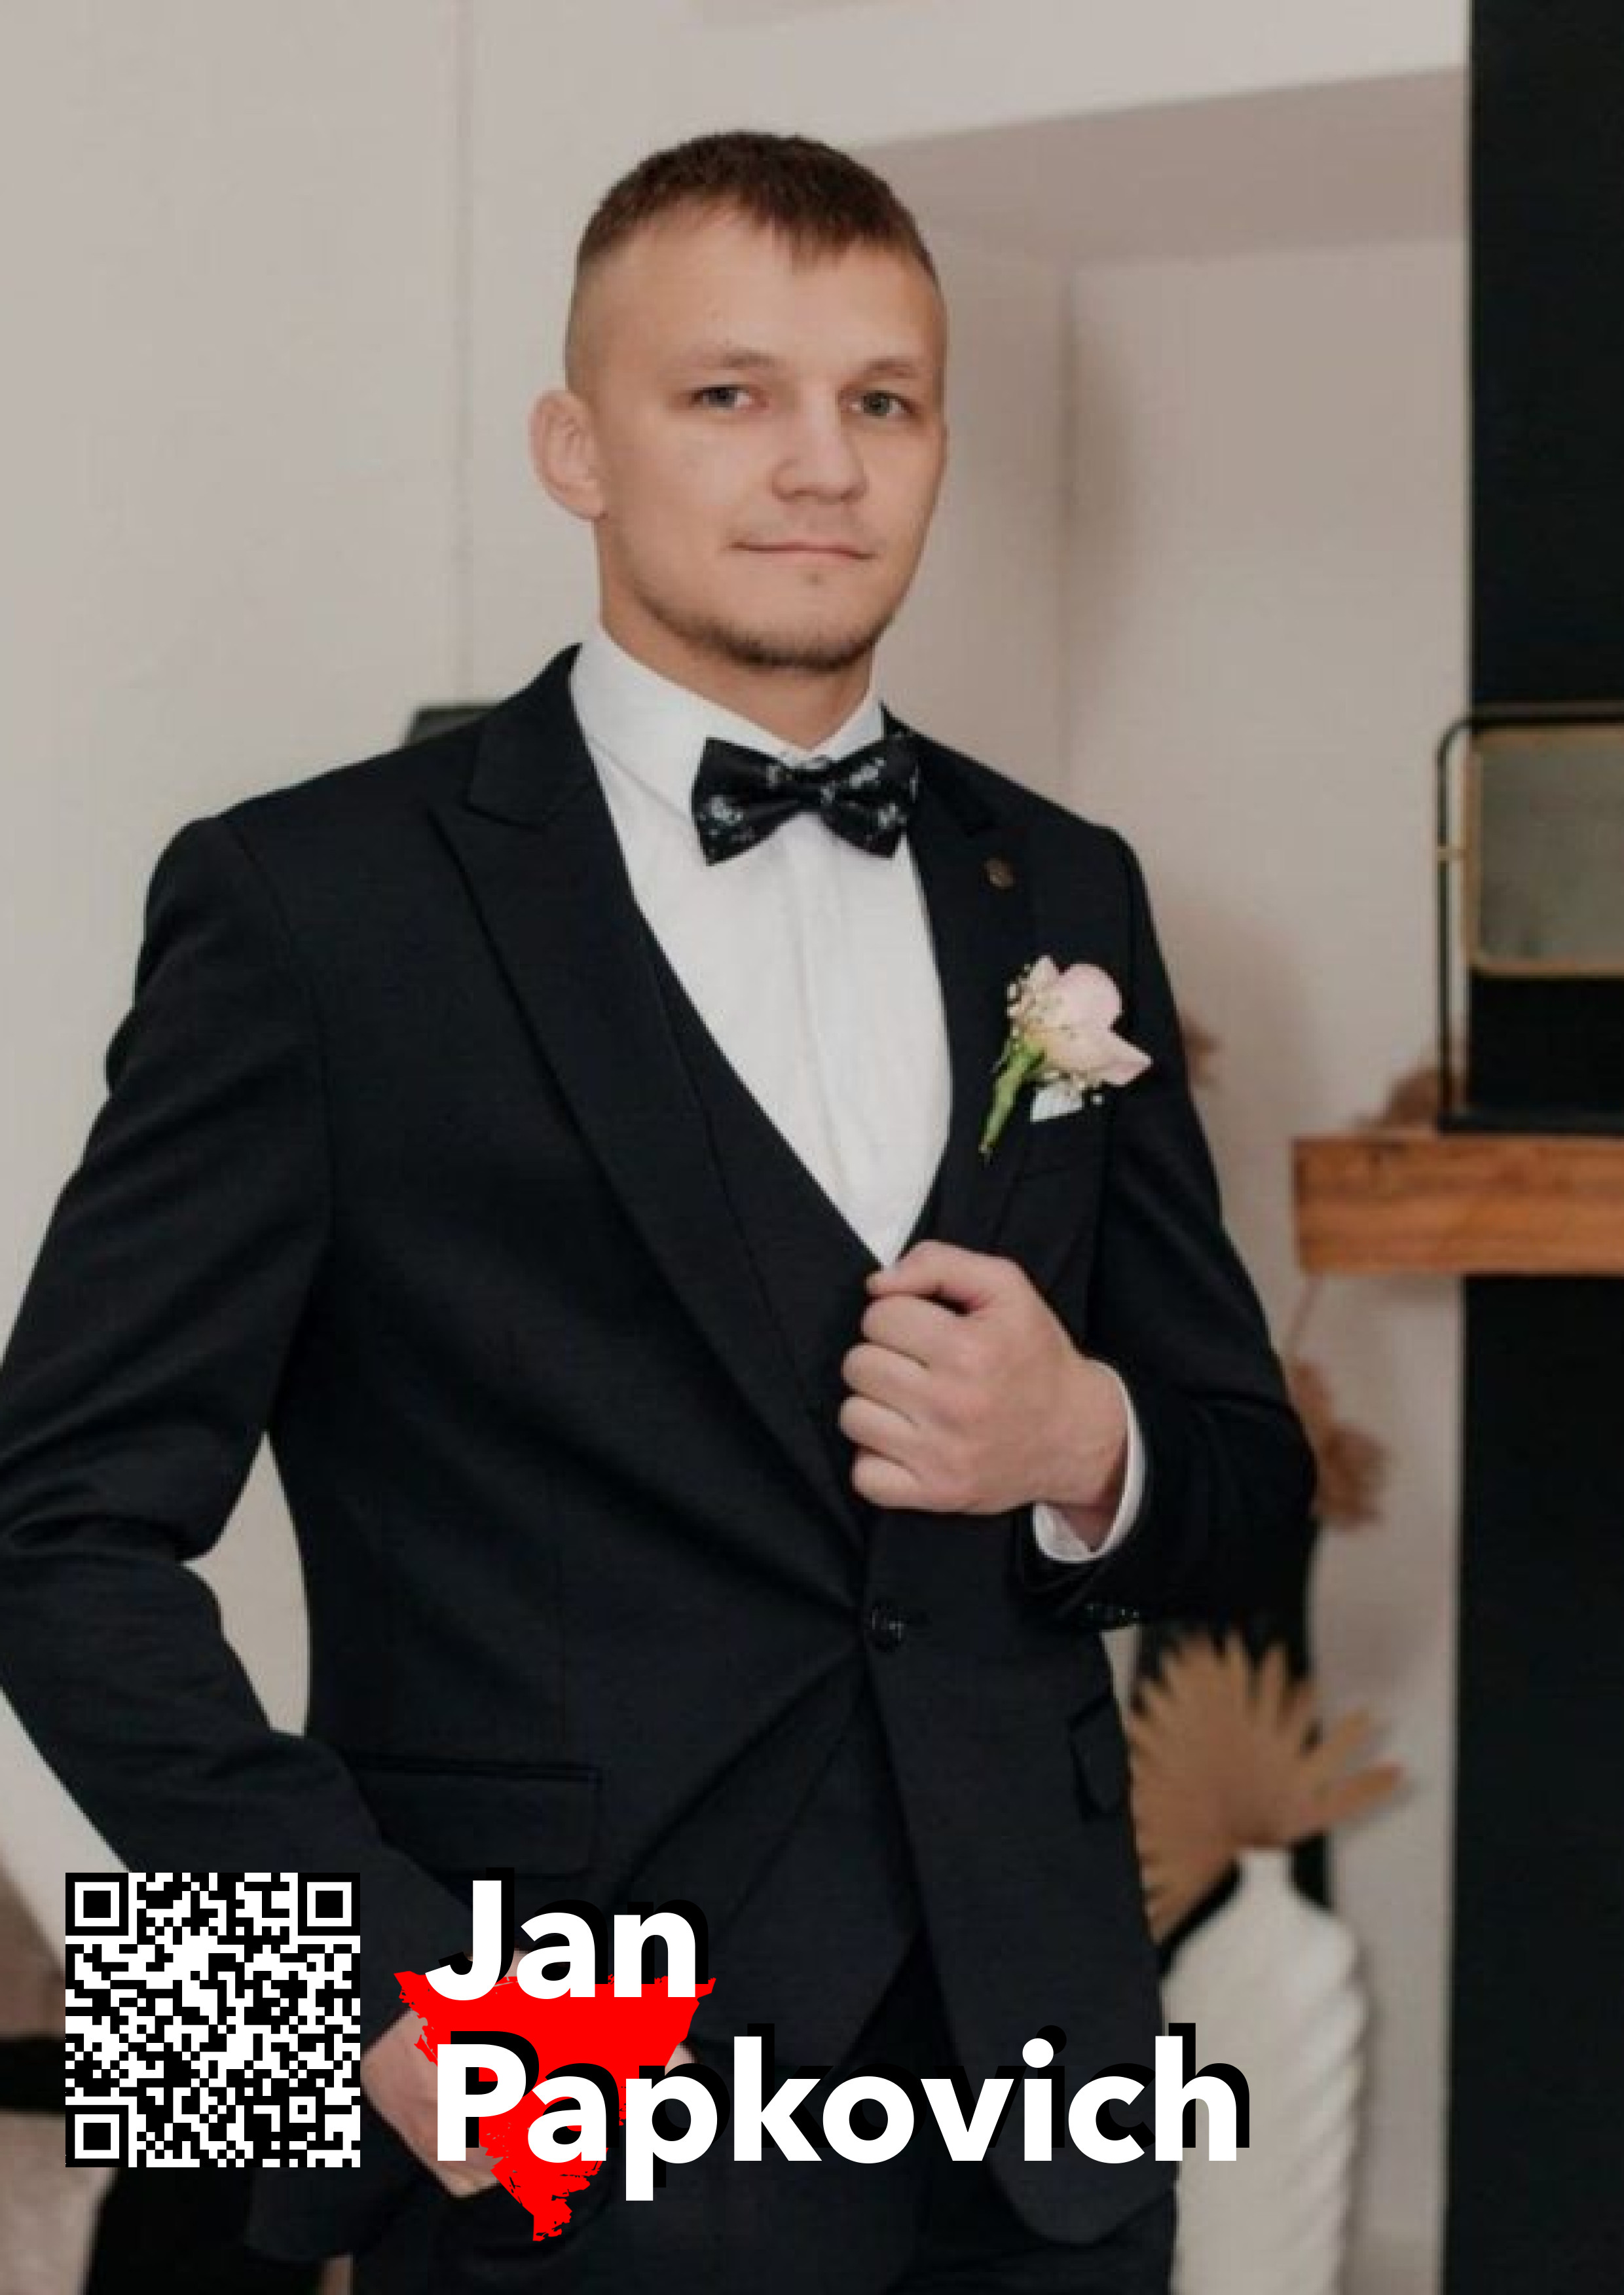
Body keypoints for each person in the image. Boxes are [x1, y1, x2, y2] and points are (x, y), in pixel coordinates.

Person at [0, 130, 1313, 2292]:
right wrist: (366, 2005)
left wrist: (1091, 1444)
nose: (824, 464)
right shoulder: (308, 900)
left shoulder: (1068, 883)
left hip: (1039, 2118)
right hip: (533, 2105)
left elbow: (1248, 1489)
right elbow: (53, 1532)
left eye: (882, 400)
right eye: (730, 393)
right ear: (576, 448)